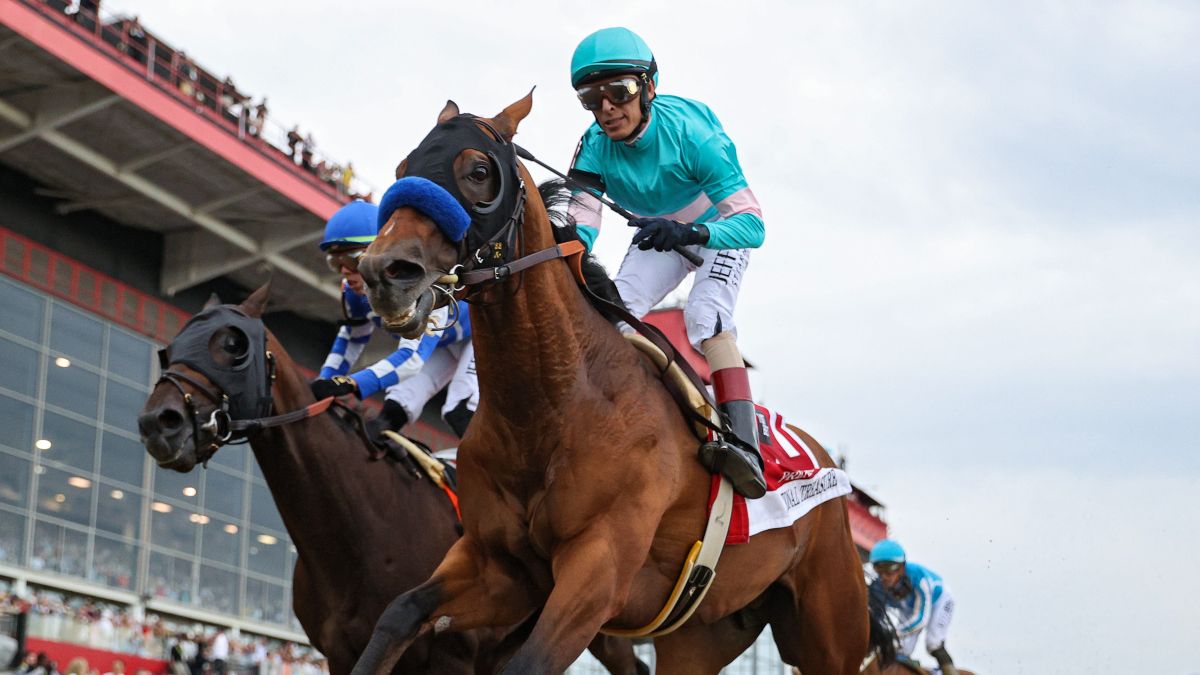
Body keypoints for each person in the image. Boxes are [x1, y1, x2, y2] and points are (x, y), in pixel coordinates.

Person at [567, 27, 767, 498]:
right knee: (614, 313)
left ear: (649, 87)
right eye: (591, 99)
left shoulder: (694, 134)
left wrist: (694, 231)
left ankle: (745, 442)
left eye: (619, 91)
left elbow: (753, 224)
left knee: (704, 315)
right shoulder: (593, 143)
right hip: (661, 229)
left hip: (720, 226)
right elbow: (581, 220)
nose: (607, 109)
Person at [311, 201, 478, 439]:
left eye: (351, 260)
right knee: (394, 410)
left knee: (459, 411)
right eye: (335, 263)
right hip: (442, 343)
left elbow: (411, 360)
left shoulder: (419, 286)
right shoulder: (351, 292)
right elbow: (351, 338)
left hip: (478, 337)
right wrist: (323, 382)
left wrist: (351, 383)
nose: (345, 272)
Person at [868, 539, 958, 675]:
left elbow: (920, 620)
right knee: (901, 648)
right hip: (910, 607)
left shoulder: (919, 579)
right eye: (880, 570)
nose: (885, 577)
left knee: (933, 643)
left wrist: (894, 633)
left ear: (902, 567)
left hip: (939, 601)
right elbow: (876, 618)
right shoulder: (877, 586)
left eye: (890, 569)